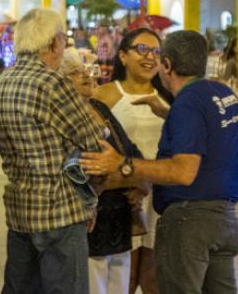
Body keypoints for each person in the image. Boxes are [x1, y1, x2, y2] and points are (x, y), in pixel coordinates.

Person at [80, 30, 238, 294]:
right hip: (225, 221)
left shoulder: (187, 103)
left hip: (190, 222)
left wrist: (125, 165)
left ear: (166, 65)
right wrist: (170, 114)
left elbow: (183, 171)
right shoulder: (223, 96)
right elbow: (210, 136)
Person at [0, 8, 104, 294]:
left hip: (20, 210)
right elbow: (92, 140)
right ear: (53, 43)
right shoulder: (53, 83)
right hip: (60, 211)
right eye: (64, 39)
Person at [63, 50, 143, 294]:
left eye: (87, 69)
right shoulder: (64, 114)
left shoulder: (99, 107)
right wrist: (122, 174)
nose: (87, 75)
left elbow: (130, 149)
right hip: (90, 217)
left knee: (119, 282)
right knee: (93, 283)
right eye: (77, 72)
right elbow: (76, 169)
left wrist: (136, 177)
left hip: (119, 214)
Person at [93, 28, 166, 294]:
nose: (151, 57)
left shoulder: (168, 97)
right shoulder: (104, 95)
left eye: (157, 52)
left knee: (153, 275)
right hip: (122, 196)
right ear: (123, 56)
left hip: (159, 195)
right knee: (124, 275)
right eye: (142, 50)